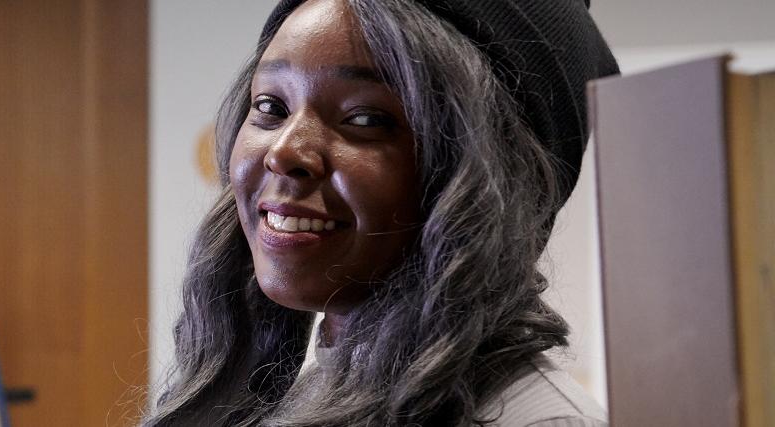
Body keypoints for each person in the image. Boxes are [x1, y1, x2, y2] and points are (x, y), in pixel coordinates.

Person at [142, 0, 619, 425]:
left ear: (494, 178)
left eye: (366, 119)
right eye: (270, 105)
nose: (285, 152)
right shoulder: (300, 393)